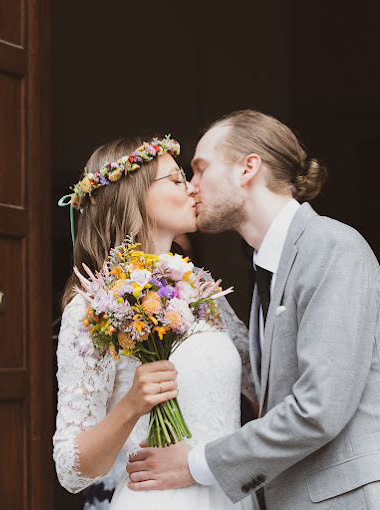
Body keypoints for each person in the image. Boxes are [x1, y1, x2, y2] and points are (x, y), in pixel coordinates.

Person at [127, 111, 380, 509]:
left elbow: (318, 409)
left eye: (199, 169)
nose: (191, 187)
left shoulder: (332, 247)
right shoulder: (270, 268)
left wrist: (195, 465)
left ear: (248, 169)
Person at [53, 136, 260, 510]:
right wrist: (131, 404)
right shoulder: (91, 307)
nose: (193, 188)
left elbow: (263, 385)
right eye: (177, 179)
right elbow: (71, 471)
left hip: (230, 498)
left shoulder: (202, 289)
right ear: (133, 195)